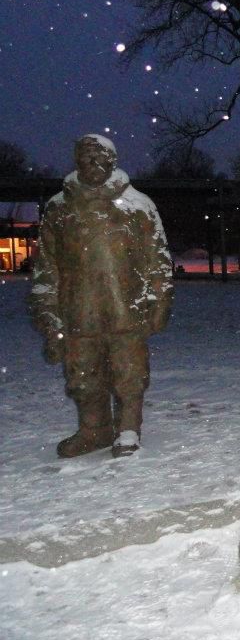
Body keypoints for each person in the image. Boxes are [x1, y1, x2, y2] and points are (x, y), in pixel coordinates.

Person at [30, 134, 173, 458]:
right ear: (76, 162)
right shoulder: (59, 209)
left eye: (99, 157)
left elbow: (158, 259)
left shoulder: (138, 206)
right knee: (82, 377)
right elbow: (46, 269)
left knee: (129, 375)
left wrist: (160, 301)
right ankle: (94, 429)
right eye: (86, 157)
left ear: (112, 161)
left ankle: (127, 430)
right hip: (78, 312)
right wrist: (49, 318)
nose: (93, 164)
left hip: (127, 308)